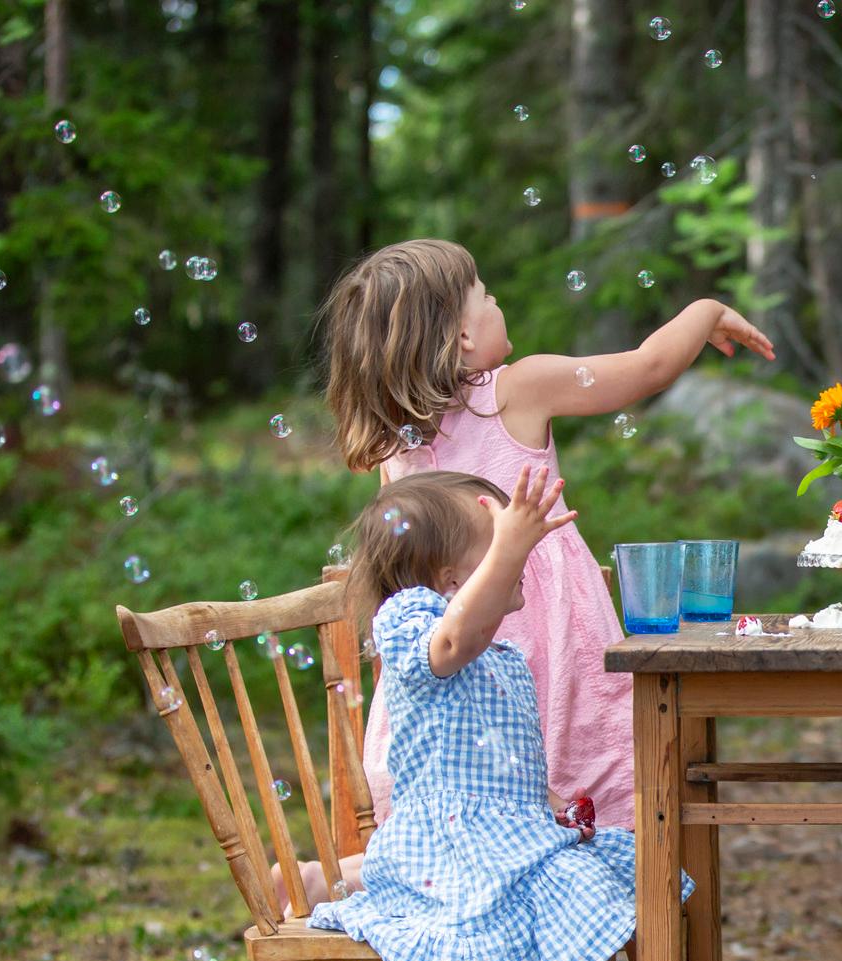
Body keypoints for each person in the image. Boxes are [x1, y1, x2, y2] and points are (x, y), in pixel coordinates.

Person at [295, 466, 729, 961]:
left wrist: (547, 817)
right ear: (449, 582)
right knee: (576, 884)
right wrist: (508, 547)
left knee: (629, 864)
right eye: (502, 547)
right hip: (447, 843)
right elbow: (449, 643)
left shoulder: (498, 657)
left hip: (494, 838)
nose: (523, 559)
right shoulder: (415, 624)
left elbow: (502, 765)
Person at [317, 238, 775, 831]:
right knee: (574, 785)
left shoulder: (395, 445)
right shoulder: (516, 388)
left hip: (458, 666)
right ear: (459, 337)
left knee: (482, 808)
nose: (496, 299)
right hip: (545, 641)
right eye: (484, 294)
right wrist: (706, 310)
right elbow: (648, 367)